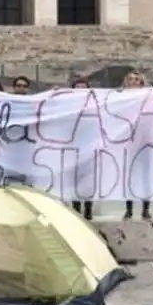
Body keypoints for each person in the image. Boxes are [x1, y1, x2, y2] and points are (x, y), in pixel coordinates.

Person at [120, 70, 152, 221]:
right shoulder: (120, 98)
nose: (133, 82)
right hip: (128, 142)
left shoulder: (149, 97)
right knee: (129, 177)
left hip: (144, 141)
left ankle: (146, 209)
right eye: (130, 79)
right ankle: (129, 210)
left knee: (145, 177)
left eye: (136, 79)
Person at [69, 77, 94, 220]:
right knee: (74, 180)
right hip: (74, 147)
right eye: (77, 87)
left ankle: (88, 208)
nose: (80, 90)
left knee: (89, 181)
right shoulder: (68, 104)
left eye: (83, 87)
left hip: (90, 146)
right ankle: (76, 209)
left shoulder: (94, 104)